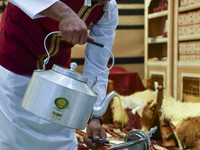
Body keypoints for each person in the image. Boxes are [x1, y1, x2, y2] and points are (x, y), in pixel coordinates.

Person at [0, 0, 118, 150]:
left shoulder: (107, 10)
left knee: (62, 140)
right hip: (14, 61)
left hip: (58, 75)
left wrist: (94, 116)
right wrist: (65, 14)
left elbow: (97, 66)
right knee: (15, 140)